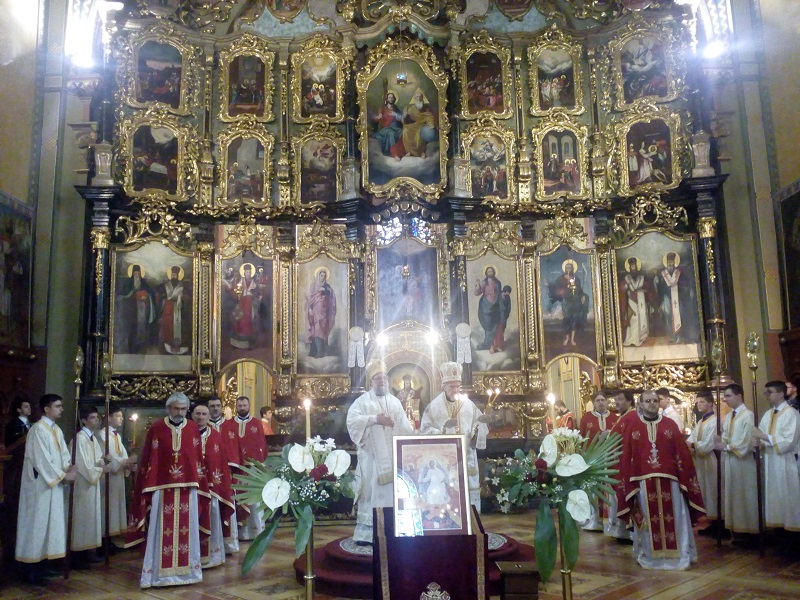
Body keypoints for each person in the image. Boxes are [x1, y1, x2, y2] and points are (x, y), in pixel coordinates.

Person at [615, 389, 704, 570]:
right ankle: (650, 556)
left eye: (655, 400)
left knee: (675, 519)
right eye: (647, 401)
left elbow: (682, 454)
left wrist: (684, 479)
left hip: (670, 482)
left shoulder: (670, 425)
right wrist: (628, 483)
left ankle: (679, 556)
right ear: (640, 404)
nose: (652, 404)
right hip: (643, 483)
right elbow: (627, 457)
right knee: (648, 521)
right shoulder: (633, 427)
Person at [128, 392, 209, 589]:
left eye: (183, 409)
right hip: (160, 486)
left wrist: (199, 480)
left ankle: (188, 573)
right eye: (176, 409)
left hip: (188, 486)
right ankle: (157, 575)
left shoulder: (192, 428)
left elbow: (196, 458)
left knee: (188, 529)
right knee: (159, 529)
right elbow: (149, 457)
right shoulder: (156, 428)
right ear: (168, 408)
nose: (180, 413)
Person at [346, 360, 414, 544]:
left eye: (384, 378)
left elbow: (404, 427)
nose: (382, 381)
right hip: (371, 459)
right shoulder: (362, 402)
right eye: (377, 378)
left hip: (392, 459)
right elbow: (352, 422)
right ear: (371, 382)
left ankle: (390, 530)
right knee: (371, 491)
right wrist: (375, 419)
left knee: (391, 493)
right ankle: (367, 535)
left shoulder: (394, 402)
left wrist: (413, 440)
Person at [15, 394, 77, 583]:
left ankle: (43, 564)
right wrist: (63, 475)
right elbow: (41, 460)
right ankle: (29, 569)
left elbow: (63, 454)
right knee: (37, 525)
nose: (61, 409)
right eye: (57, 406)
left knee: (50, 526)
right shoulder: (37, 430)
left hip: (53, 486)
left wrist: (68, 467)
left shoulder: (56, 430)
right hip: (39, 488)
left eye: (61, 406)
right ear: (46, 409)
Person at [420, 362, 489, 510]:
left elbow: (476, 428)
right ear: (443, 387)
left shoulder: (468, 405)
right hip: (445, 459)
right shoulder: (434, 407)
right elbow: (424, 429)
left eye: (458, 386)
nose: (456, 390)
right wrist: (443, 430)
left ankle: (472, 519)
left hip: (467, 456)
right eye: (451, 386)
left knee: (468, 493)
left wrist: (481, 426)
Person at [752, 381, 800, 532]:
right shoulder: (768, 414)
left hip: (784, 462)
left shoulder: (791, 413)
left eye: (770, 392)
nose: (767, 395)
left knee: (787, 497)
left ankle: (791, 535)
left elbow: (789, 441)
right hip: (770, 461)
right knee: (773, 498)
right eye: (766, 392)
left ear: (780, 393)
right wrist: (758, 443)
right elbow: (761, 435)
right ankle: (777, 533)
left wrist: (764, 437)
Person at [192, 403, 235, 568]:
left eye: (204, 414)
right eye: (198, 414)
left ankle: (213, 556)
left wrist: (220, 484)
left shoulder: (215, 436)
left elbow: (221, 462)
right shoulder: (187, 434)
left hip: (212, 488)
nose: (200, 417)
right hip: (192, 487)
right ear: (192, 415)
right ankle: (193, 557)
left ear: (208, 417)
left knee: (213, 518)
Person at [713, 383, 758, 542]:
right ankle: (737, 532)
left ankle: (751, 533)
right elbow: (726, 435)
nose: (725, 399)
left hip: (743, 463)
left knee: (746, 495)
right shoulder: (730, 416)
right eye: (724, 396)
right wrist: (720, 441)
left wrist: (726, 446)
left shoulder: (748, 415)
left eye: (728, 396)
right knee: (734, 496)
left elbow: (746, 441)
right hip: (731, 462)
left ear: (739, 396)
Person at [221, 395, 268, 541]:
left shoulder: (257, 423)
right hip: (235, 469)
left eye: (244, 405)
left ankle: (255, 531)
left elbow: (262, 444)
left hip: (252, 468)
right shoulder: (228, 424)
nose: (242, 408)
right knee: (237, 499)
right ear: (236, 407)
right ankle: (240, 533)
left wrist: (258, 463)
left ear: (249, 406)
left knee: (254, 500)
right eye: (239, 406)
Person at [67, 405, 109, 567]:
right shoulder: (79, 439)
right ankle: (78, 555)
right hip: (82, 485)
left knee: (90, 517)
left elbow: (97, 458)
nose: (96, 420)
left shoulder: (92, 438)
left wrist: (102, 461)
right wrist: (100, 469)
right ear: (84, 420)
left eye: (97, 417)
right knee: (81, 518)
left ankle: (89, 551)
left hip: (92, 485)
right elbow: (82, 465)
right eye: (92, 417)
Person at [579, 391, 619, 531]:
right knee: (593, 488)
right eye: (598, 400)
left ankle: (612, 520)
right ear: (593, 403)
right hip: (593, 459)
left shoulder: (614, 418)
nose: (601, 403)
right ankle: (594, 519)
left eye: (603, 400)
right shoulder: (586, 418)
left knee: (611, 488)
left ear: (607, 402)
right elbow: (582, 439)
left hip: (611, 459)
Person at [98, 407, 137, 544]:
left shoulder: (117, 436)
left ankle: (113, 537)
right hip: (108, 477)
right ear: (109, 418)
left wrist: (128, 464)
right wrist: (126, 461)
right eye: (117, 416)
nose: (121, 418)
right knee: (108, 506)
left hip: (118, 477)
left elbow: (122, 455)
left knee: (116, 506)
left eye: (121, 416)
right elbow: (108, 457)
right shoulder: (102, 435)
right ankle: (105, 538)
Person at [686, 392, 721, 532]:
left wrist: (693, 445)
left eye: (702, 402)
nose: (698, 405)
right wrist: (688, 445)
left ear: (711, 403)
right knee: (705, 490)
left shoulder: (715, 421)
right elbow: (691, 438)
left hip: (712, 460)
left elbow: (709, 443)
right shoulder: (701, 422)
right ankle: (712, 521)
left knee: (713, 489)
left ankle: (719, 523)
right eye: (697, 402)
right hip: (701, 461)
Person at [115, 264, 156, 353]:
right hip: (131, 309)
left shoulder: (143, 282)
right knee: (132, 327)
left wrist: (146, 295)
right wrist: (132, 294)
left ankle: (141, 344)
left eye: (138, 273)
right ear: (132, 273)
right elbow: (123, 294)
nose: (137, 275)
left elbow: (150, 293)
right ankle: (132, 345)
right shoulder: (129, 282)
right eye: (135, 273)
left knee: (141, 325)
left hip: (141, 308)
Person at [548, 259, 589, 347]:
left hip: (576, 301)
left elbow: (580, 290)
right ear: (565, 269)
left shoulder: (576, 279)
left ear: (573, 269)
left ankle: (572, 339)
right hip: (566, 301)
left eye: (570, 267)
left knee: (574, 319)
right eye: (567, 268)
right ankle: (567, 338)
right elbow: (556, 288)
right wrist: (550, 286)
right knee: (567, 319)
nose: (568, 269)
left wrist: (582, 296)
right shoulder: (560, 279)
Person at [653, 252, 686, 344]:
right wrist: (656, 281)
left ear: (674, 263)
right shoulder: (663, 274)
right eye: (668, 263)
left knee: (679, 315)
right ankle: (672, 336)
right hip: (667, 299)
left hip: (677, 298)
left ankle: (679, 336)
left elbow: (684, 285)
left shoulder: (679, 273)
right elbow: (660, 288)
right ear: (666, 263)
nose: (670, 264)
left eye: (671, 262)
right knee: (668, 317)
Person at [157, 265, 190, 354]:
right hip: (168, 308)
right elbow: (161, 295)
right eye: (172, 275)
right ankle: (167, 343)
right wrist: (164, 298)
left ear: (178, 276)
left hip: (178, 308)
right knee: (167, 325)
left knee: (178, 325)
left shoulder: (182, 286)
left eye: (175, 275)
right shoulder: (165, 285)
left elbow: (187, 296)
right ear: (170, 275)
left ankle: (177, 344)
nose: (174, 276)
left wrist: (182, 297)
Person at [305, 266, 336, 358]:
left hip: (325, 313)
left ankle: (322, 351)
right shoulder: (313, 286)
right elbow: (309, 299)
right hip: (316, 312)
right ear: (318, 276)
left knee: (323, 331)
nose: (323, 277)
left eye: (324, 276)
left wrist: (327, 291)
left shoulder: (328, 287)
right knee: (316, 330)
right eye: (321, 275)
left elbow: (332, 298)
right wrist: (310, 309)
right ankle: (316, 351)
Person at [621, 257, 650, 347]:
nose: (633, 268)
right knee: (633, 319)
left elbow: (647, 287)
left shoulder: (641, 277)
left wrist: (644, 290)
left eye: (634, 266)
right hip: (631, 301)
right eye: (632, 266)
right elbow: (621, 288)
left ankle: (639, 338)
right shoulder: (627, 278)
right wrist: (625, 287)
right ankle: (631, 339)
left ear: (637, 267)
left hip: (641, 300)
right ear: (629, 267)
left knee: (641, 317)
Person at [474, 266, 503, 351]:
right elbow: (477, 293)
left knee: (496, 325)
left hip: (495, 306)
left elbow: (499, 293)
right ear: (486, 273)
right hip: (485, 306)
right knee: (488, 325)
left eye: (491, 271)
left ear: (494, 272)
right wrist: (478, 285)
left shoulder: (498, 283)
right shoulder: (484, 282)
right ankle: (489, 345)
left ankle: (495, 345)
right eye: (488, 271)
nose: (490, 273)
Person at [372, 92, 403, 156]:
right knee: (391, 133)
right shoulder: (382, 109)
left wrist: (396, 115)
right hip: (385, 129)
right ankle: (394, 153)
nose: (391, 99)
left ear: (394, 99)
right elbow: (374, 118)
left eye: (392, 98)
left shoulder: (396, 109)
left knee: (402, 132)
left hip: (396, 128)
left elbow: (401, 118)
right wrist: (378, 117)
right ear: (387, 99)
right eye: (389, 97)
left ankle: (402, 152)